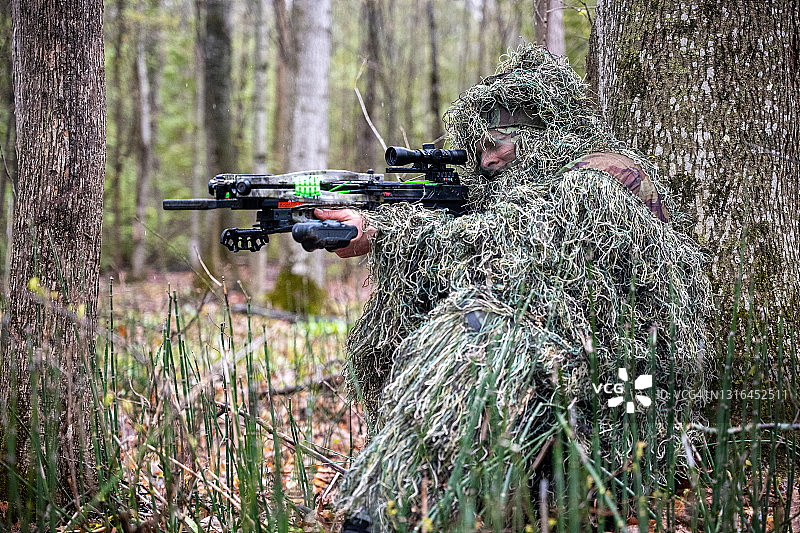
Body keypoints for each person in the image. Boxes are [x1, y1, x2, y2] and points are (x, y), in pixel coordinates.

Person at [315, 44, 710, 532]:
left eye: (496, 143)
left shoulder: (598, 176)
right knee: (403, 323)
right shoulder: (525, 188)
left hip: (626, 398)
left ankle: (384, 514)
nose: (484, 161)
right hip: (574, 383)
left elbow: (511, 244)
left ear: (539, 131)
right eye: (476, 148)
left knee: (472, 335)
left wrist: (386, 233)